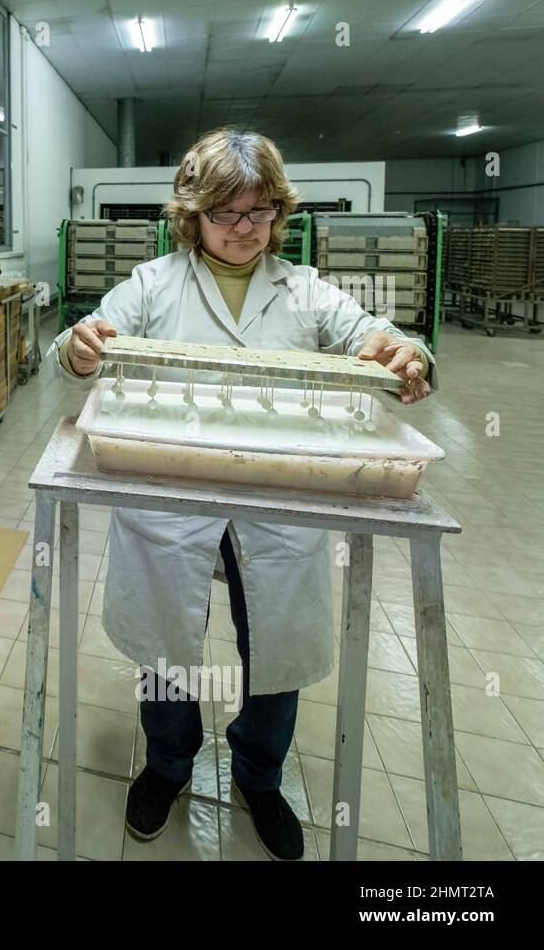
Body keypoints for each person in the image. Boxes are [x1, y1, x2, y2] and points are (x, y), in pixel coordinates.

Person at [48, 128, 434, 860]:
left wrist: (408, 354)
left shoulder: (307, 289)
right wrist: (78, 346)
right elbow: (74, 347)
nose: (244, 229)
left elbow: (375, 335)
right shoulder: (154, 283)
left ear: (279, 214)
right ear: (193, 214)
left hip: (274, 502)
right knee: (167, 646)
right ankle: (167, 764)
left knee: (273, 647)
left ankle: (260, 775)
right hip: (174, 498)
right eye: (226, 213)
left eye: (259, 213)